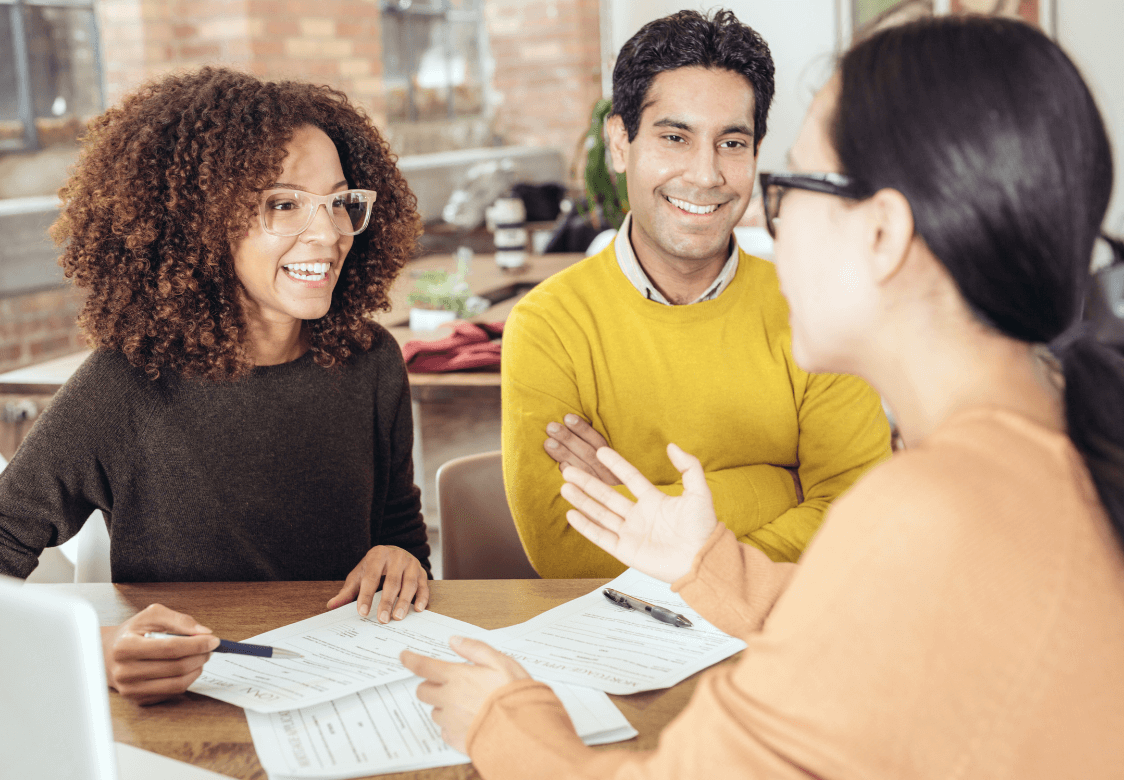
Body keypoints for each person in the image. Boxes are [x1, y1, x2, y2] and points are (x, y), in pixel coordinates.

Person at [403, 15, 1124, 777]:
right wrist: (707, 559)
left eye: (788, 184)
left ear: (882, 233)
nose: (741, 202)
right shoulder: (1042, 442)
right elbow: (863, 626)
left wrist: (503, 719)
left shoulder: (925, 510)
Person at [0, 67, 431, 704]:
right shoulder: (125, 386)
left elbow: (399, 529)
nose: (328, 233)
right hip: (189, 701)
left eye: (339, 201)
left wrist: (399, 557)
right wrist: (93, 652)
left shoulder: (371, 360)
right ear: (199, 224)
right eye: (282, 203)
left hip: (348, 688)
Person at [501, 9, 891, 578]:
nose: (706, 174)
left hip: (782, 637)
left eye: (731, 142)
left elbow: (856, 513)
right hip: (617, 645)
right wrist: (779, 485)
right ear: (619, 142)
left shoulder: (814, 306)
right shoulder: (550, 325)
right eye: (675, 137)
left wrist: (647, 512)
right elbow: (565, 549)